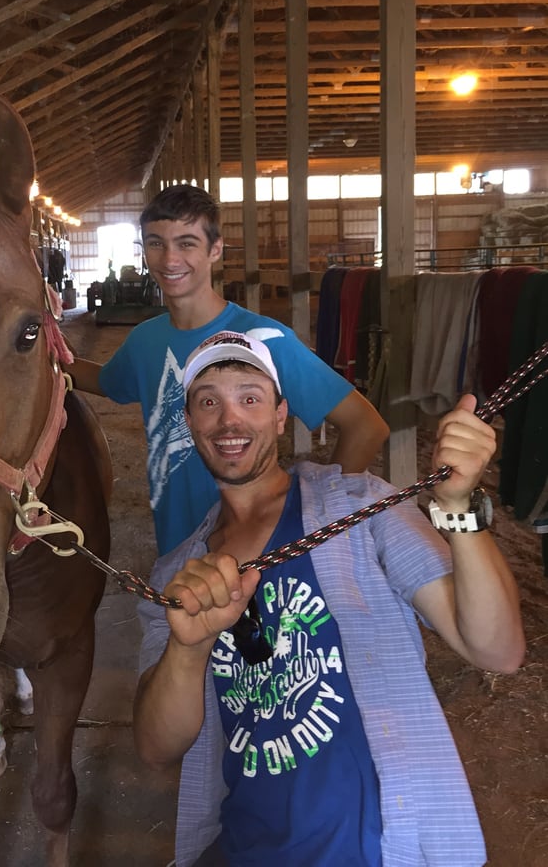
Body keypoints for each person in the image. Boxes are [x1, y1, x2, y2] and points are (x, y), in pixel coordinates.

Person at [134, 330, 525, 867]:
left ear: (279, 414)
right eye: (208, 402)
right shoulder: (177, 575)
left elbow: (496, 650)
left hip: (380, 849)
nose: (229, 420)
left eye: (249, 398)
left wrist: (458, 507)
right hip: (243, 848)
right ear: (191, 424)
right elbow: (157, 748)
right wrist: (188, 649)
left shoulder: (362, 507)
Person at [71, 185, 389, 554]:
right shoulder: (145, 341)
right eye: (156, 243)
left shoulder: (264, 339)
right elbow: (109, 383)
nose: (170, 259)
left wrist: (315, 517)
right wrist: (48, 355)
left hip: (255, 553)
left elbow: (366, 426)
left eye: (187, 243)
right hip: (179, 548)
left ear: (215, 249)